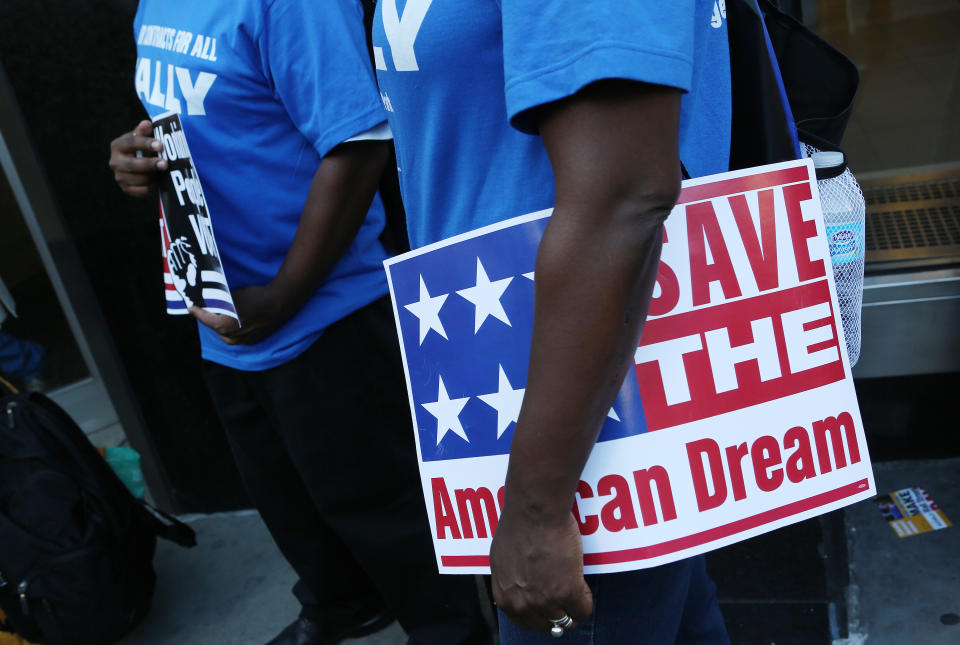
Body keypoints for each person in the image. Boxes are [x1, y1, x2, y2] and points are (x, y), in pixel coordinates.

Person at [108, 1, 491, 643]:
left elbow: (359, 141)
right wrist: (136, 157)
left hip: (325, 317)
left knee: (393, 526)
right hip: (223, 315)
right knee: (291, 509)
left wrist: (283, 296)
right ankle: (340, 606)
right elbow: (200, 115)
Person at [372, 1, 732, 642]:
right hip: (527, 387)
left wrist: (537, 511)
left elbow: (624, 195)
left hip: (584, 427)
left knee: (590, 617)